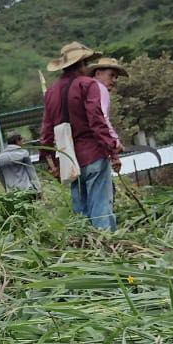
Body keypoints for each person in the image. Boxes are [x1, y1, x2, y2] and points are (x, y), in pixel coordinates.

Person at [39, 41, 120, 230]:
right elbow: (97, 121)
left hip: (69, 160)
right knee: (100, 204)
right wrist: (112, 149)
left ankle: (85, 249)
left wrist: (51, 161)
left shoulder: (51, 92)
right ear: (82, 64)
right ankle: (106, 247)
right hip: (93, 154)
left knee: (80, 208)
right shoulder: (88, 85)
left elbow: (46, 131)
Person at [88, 56, 128, 164]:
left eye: (116, 77)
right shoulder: (100, 88)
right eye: (111, 75)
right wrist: (115, 141)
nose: (114, 80)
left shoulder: (85, 89)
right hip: (95, 153)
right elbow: (102, 118)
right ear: (98, 74)